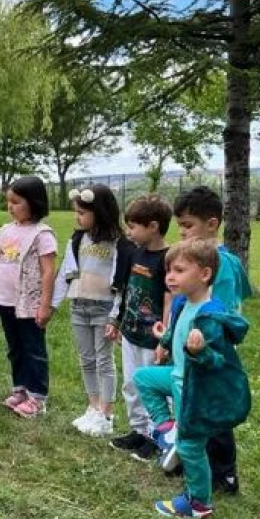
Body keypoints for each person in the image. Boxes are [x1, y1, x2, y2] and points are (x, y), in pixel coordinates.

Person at [134, 239, 252, 519]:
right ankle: (166, 427)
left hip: (196, 393)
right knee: (144, 378)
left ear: (205, 274)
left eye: (179, 270)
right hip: (177, 378)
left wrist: (200, 352)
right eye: (168, 270)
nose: (170, 277)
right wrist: (165, 335)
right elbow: (178, 338)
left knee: (190, 447)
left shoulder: (209, 316)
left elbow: (218, 361)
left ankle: (198, 503)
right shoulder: (184, 303)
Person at [172, 185, 251, 494]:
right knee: (191, 406)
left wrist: (207, 342)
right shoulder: (193, 260)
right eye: (180, 226)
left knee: (213, 413)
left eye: (188, 225)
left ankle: (225, 473)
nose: (182, 232)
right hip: (192, 348)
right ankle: (194, 461)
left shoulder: (223, 264)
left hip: (213, 352)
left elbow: (226, 310)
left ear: (212, 224)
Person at [53, 184, 133, 437]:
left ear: (99, 211)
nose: (77, 217)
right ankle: (93, 406)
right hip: (79, 306)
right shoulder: (77, 239)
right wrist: (51, 305)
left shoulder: (119, 243)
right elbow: (66, 274)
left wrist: (115, 316)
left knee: (103, 360)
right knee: (86, 359)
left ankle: (107, 414)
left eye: (82, 212)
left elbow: (121, 284)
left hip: (103, 308)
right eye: (76, 212)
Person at [0, 175, 57, 418]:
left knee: (33, 349)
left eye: (16, 202)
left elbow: (48, 271)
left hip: (29, 304)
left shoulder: (42, 234)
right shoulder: (6, 230)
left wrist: (45, 305)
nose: (10, 207)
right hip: (6, 301)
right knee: (15, 348)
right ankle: (20, 389)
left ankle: (37, 396)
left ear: (33, 202)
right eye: (8, 202)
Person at [108, 195, 173, 461]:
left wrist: (164, 338)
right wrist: (118, 321)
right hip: (131, 333)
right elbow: (127, 291)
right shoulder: (136, 253)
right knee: (131, 384)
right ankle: (138, 431)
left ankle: (159, 437)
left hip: (152, 338)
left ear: (153, 226)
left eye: (134, 226)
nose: (129, 232)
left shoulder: (168, 259)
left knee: (153, 389)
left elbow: (170, 299)